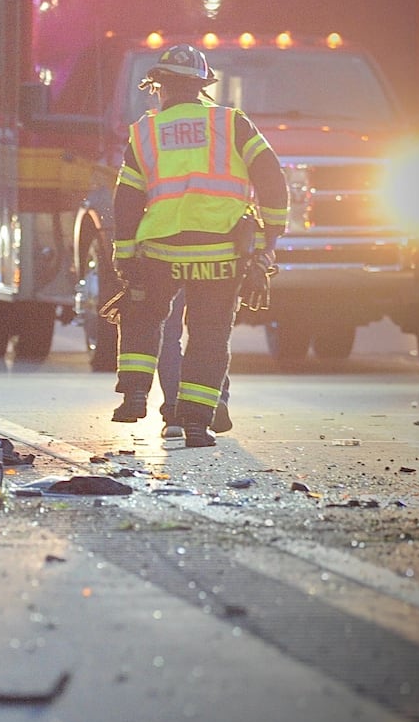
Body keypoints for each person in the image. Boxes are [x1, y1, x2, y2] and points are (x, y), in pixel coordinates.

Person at [108, 44, 288, 447]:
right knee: (208, 336)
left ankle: (135, 393)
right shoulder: (233, 123)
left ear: (159, 87)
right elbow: (272, 178)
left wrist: (124, 258)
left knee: (142, 314)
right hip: (220, 252)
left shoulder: (145, 132)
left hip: (160, 251)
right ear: (203, 87)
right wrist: (269, 239)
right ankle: (193, 423)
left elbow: (127, 200)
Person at [156, 298, 230, 439]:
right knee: (208, 331)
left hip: (169, 276)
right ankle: (212, 401)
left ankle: (173, 415)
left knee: (168, 335)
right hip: (208, 278)